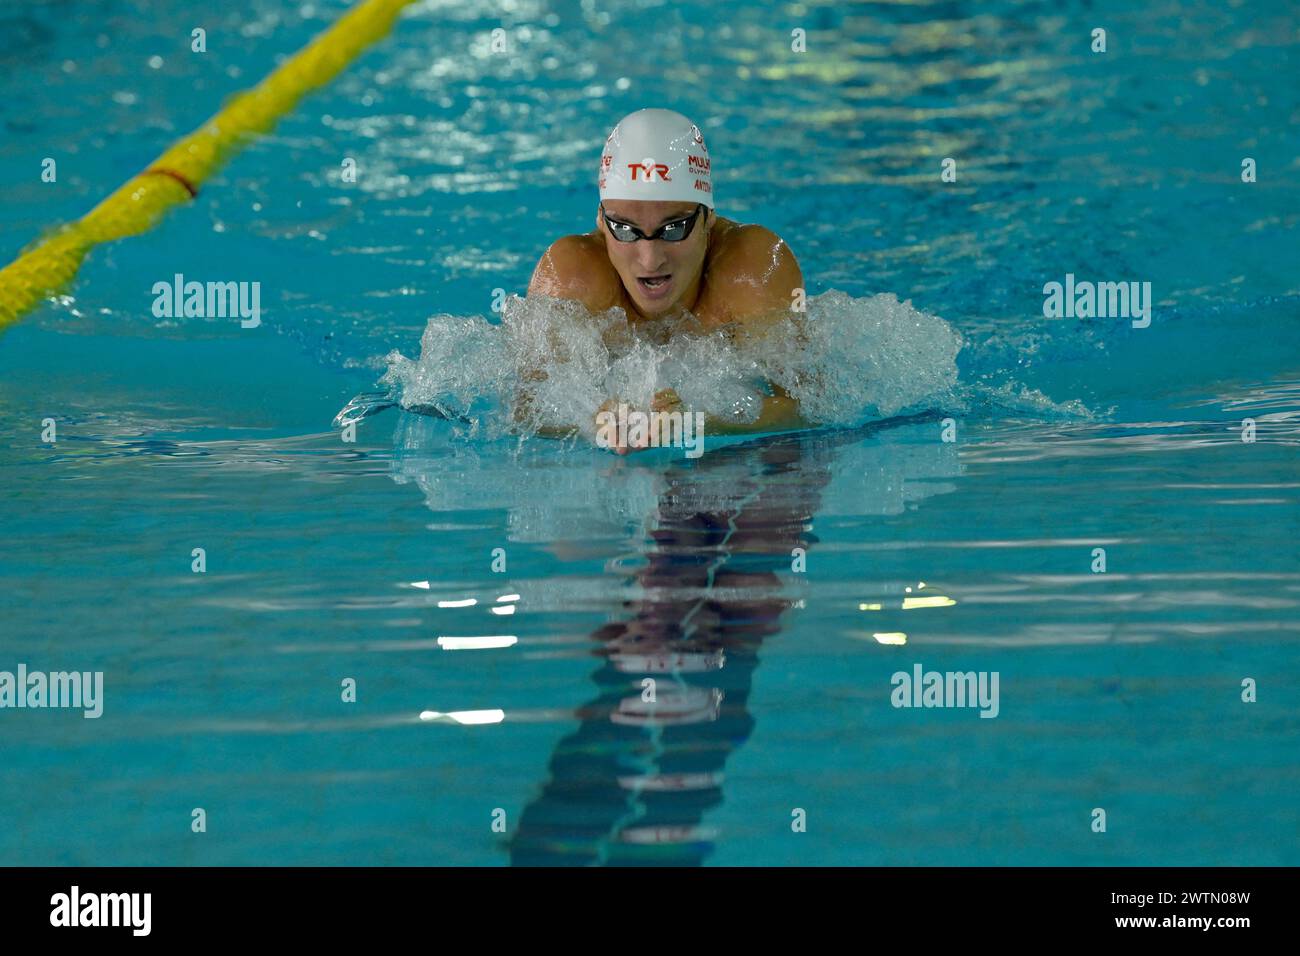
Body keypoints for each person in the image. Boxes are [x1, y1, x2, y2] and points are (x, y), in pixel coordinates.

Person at [525, 108, 806, 451]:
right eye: (625, 229)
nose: (650, 259)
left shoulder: (752, 271)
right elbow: (525, 408)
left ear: (709, 218)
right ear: (601, 220)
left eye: (673, 228)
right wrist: (589, 419)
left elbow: (811, 406)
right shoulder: (572, 277)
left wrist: (701, 422)